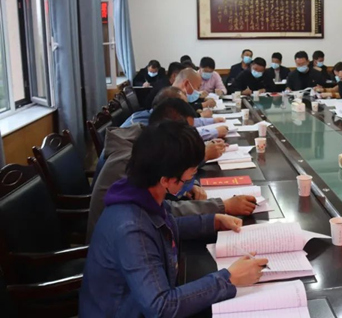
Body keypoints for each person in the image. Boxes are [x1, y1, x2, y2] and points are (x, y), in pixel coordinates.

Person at [81, 120, 267, 317]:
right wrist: (229, 279)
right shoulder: (132, 228)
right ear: (166, 180)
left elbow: (165, 224)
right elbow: (161, 307)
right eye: (188, 177)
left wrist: (213, 221)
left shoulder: (140, 191)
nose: (189, 183)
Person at [87, 98, 256, 242]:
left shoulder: (147, 147)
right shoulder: (131, 161)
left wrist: (210, 215)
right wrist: (222, 206)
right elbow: (164, 211)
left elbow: (163, 211)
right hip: (116, 247)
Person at [123, 86, 228, 141]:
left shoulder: (159, 118)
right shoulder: (144, 128)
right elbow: (176, 149)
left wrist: (212, 121)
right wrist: (214, 132)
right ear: (171, 109)